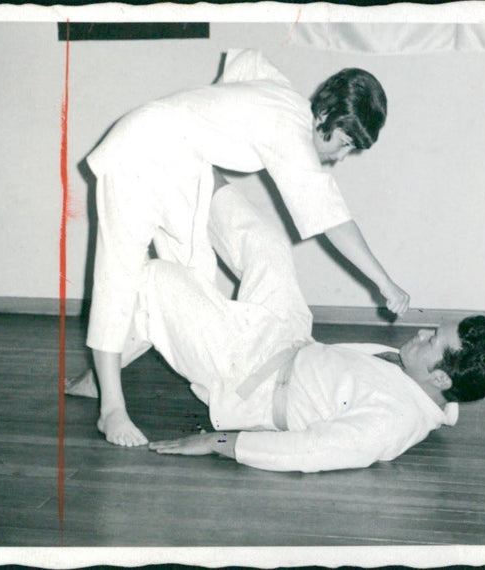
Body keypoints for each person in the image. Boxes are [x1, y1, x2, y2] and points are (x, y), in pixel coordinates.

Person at [80, 48, 411, 447]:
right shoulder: (294, 134)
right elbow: (334, 223)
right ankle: (111, 408)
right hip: (139, 148)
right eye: (343, 143)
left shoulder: (284, 94)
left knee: (187, 283)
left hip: (181, 161)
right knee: (122, 271)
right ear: (324, 116)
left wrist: (210, 123)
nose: (339, 157)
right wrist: (385, 283)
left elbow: (247, 60)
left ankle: (98, 375)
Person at [70, 182, 485, 472]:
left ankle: (105, 379)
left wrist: (221, 443)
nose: (420, 334)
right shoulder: (426, 388)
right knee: (268, 245)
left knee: (156, 280)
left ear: (440, 376)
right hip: (288, 337)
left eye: (432, 340)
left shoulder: (392, 422)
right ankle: (196, 171)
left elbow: (312, 451)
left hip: (245, 375)